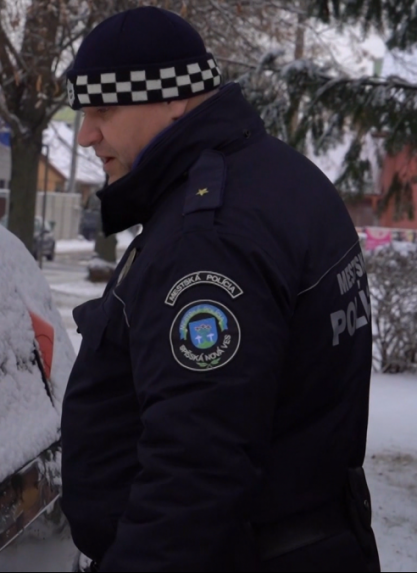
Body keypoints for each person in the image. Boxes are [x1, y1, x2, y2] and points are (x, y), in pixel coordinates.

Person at [59, 7, 380, 571]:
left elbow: (195, 474)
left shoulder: (208, 237)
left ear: (174, 99)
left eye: (103, 109)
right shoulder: (278, 177)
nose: (86, 134)